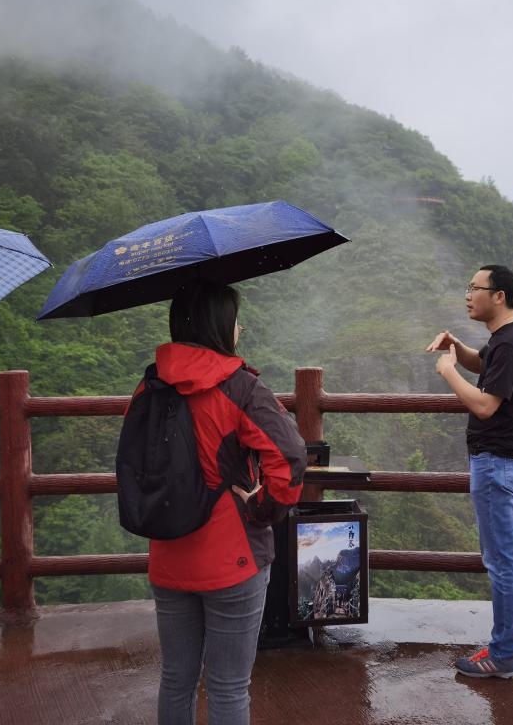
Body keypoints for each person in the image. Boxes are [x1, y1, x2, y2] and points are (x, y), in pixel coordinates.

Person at [140, 281, 306, 725]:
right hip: (232, 556)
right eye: (236, 320)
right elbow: (291, 457)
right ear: (218, 324)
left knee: (176, 679)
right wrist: (261, 508)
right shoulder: (241, 388)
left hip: (168, 553)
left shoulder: (149, 385)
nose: (240, 328)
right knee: (228, 686)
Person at [427, 264, 513, 680]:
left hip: (497, 462)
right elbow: (489, 366)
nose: (467, 294)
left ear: (498, 296)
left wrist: (449, 372)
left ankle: (503, 655)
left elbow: (484, 405)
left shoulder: (510, 342)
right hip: (511, 461)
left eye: (474, 288)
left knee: (502, 561)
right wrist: (458, 348)